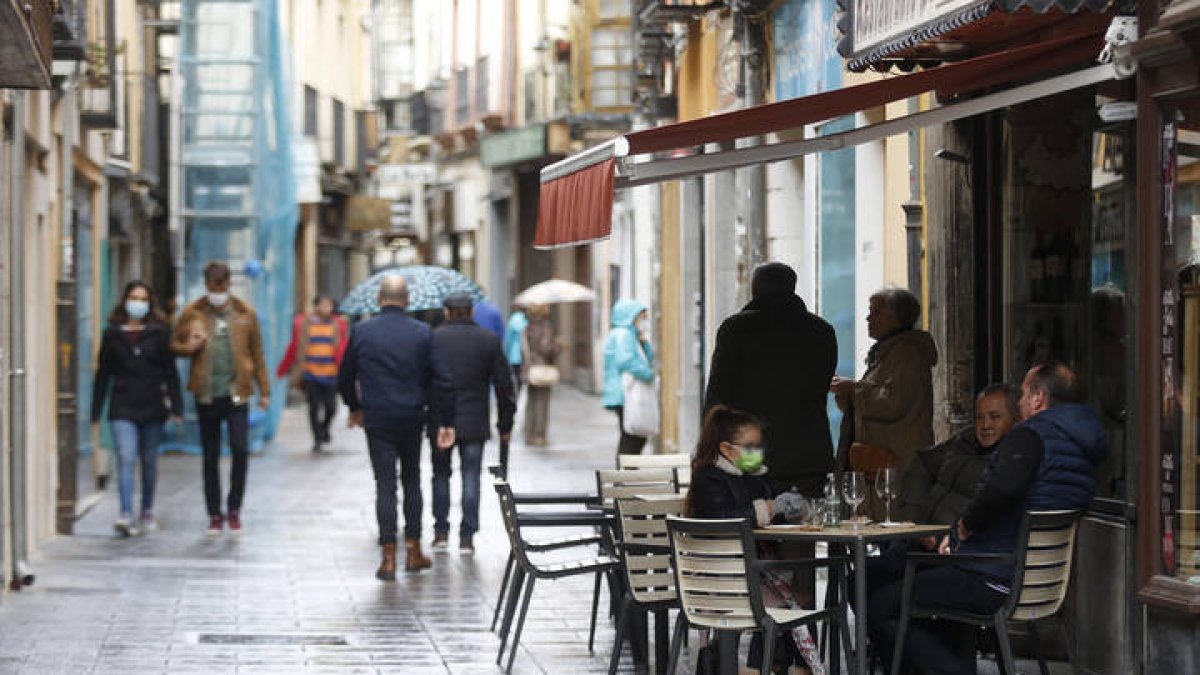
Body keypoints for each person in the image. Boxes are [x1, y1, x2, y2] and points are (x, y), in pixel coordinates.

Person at [867, 362, 1108, 675]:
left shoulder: (1031, 436)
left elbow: (1004, 487)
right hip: (1031, 582)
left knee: (882, 606)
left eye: (1023, 394)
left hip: (990, 577)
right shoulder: (1080, 447)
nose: (1020, 403)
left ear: (1037, 399)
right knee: (898, 579)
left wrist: (963, 528)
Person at [338, 275, 456, 579]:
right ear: (407, 300)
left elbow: (345, 376)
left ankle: (388, 556)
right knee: (412, 479)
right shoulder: (422, 332)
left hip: (377, 417)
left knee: (385, 484)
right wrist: (446, 420)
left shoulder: (362, 331)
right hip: (411, 416)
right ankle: (414, 549)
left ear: (379, 298)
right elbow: (442, 378)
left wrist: (355, 407)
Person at [685, 406, 812, 675]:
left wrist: (791, 508)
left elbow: (771, 512)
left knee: (797, 598)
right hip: (720, 581)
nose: (757, 451)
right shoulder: (708, 478)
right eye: (750, 446)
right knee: (792, 603)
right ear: (727, 449)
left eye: (760, 445)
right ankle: (768, 667)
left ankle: (773, 666)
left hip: (751, 575)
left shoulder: (757, 478)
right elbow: (722, 518)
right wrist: (767, 508)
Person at [865, 383, 1022, 594]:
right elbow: (922, 462)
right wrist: (913, 520)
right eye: (979, 417)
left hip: (951, 554)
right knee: (861, 579)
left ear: (1014, 420)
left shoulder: (1013, 459)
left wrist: (944, 539)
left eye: (994, 417)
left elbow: (989, 516)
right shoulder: (964, 440)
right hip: (918, 539)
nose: (985, 425)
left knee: (885, 599)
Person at [705, 262, 838, 498]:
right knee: (807, 527)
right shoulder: (822, 331)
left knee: (756, 522)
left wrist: (709, 444)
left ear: (755, 289)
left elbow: (718, 394)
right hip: (810, 453)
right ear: (792, 288)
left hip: (752, 452)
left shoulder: (737, 329)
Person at [171, 261, 270, 537]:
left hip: (237, 392)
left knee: (240, 449)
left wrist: (265, 391)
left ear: (228, 285)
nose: (218, 292)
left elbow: (258, 353)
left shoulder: (244, 313)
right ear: (206, 286)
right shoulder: (193, 313)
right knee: (210, 456)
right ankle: (214, 514)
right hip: (206, 393)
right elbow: (174, 345)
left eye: (222, 287)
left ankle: (234, 508)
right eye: (213, 288)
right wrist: (189, 347)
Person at [830, 287, 938, 520]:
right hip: (879, 462)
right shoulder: (886, 352)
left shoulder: (907, 353)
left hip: (898, 465)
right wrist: (846, 395)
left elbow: (891, 403)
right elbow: (871, 404)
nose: (869, 318)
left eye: (876, 312)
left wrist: (854, 390)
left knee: (895, 534)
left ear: (896, 318)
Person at [91, 281, 182, 537]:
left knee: (149, 461)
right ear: (125, 301)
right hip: (123, 407)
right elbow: (103, 374)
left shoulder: (160, 334)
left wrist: (177, 407)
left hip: (152, 407)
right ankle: (125, 513)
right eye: (133, 297)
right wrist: (96, 411)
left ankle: (147, 510)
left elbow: (170, 372)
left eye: (143, 299)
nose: (138, 303)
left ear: (149, 304)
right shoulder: (112, 335)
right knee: (126, 457)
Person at [430, 293, 516, 554]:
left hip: (440, 420)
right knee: (471, 477)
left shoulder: (432, 339)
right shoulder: (488, 340)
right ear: (471, 312)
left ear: (446, 311)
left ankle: (441, 532)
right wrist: (505, 422)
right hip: (474, 420)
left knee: (441, 475)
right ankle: (467, 536)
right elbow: (504, 385)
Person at [275, 294, 349, 452]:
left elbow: (343, 349)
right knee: (313, 408)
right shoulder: (304, 323)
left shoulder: (338, 324)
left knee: (331, 407)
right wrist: (282, 369)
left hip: (331, 373)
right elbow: (294, 346)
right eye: (322, 304)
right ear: (316, 306)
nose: (325, 308)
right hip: (310, 372)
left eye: (328, 305)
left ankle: (324, 429)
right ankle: (317, 438)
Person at [602, 299, 655, 457]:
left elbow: (648, 357)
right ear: (630, 317)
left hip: (627, 393)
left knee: (633, 436)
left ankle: (627, 474)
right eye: (642, 317)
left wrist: (644, 342)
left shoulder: (630, 335)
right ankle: (625, 475)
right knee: (631, 437)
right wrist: (648, 375)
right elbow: (626, 361)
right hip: (625, 393)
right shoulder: (622, 335)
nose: (644, 322)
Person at [521, 304, 559, 446]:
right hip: (542, 368)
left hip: (530, 368)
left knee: (531, 402)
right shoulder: (545, 328)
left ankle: (528, 433)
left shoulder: (527, 328)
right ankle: (539, 435)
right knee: (542, 402)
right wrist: (558, 346)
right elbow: (546, 349)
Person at [503, 305, 528, 395]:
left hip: (514, 353)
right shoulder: (527, 321)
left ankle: (517, 392)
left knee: (516, 375)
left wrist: (506, 351)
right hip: (525, 353)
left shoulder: (513, 319)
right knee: (521, 374)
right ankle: (521, 391)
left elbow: (508, 339)